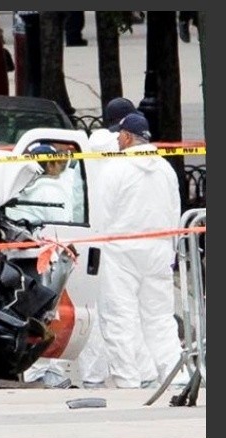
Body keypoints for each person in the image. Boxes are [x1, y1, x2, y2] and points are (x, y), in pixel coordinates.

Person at [97, 113, 188, 389]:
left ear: (126, 137)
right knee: (160, 318)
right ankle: (175, 376)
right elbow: (175, 211)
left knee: (120, 317)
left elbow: (102, 214)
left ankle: (128, 380)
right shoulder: (165, 169)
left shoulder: (115, 169)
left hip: (120, 251)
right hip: (159, 249)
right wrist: (170, 251)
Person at [80, 98, 163, 389]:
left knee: (116, 315)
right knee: (148, 316)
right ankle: (153, 374)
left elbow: (103, 206)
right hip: (150, 244)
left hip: (113, 242)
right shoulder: (159, 165)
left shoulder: (104, 149)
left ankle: (118, 376)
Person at [13, 144, 74, 388]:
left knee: (39, 313)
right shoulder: (59, 189)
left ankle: (37, 369)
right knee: (52, 313)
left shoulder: (35, 192)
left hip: (42, 259)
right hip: (57, 257)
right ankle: (49, 368)